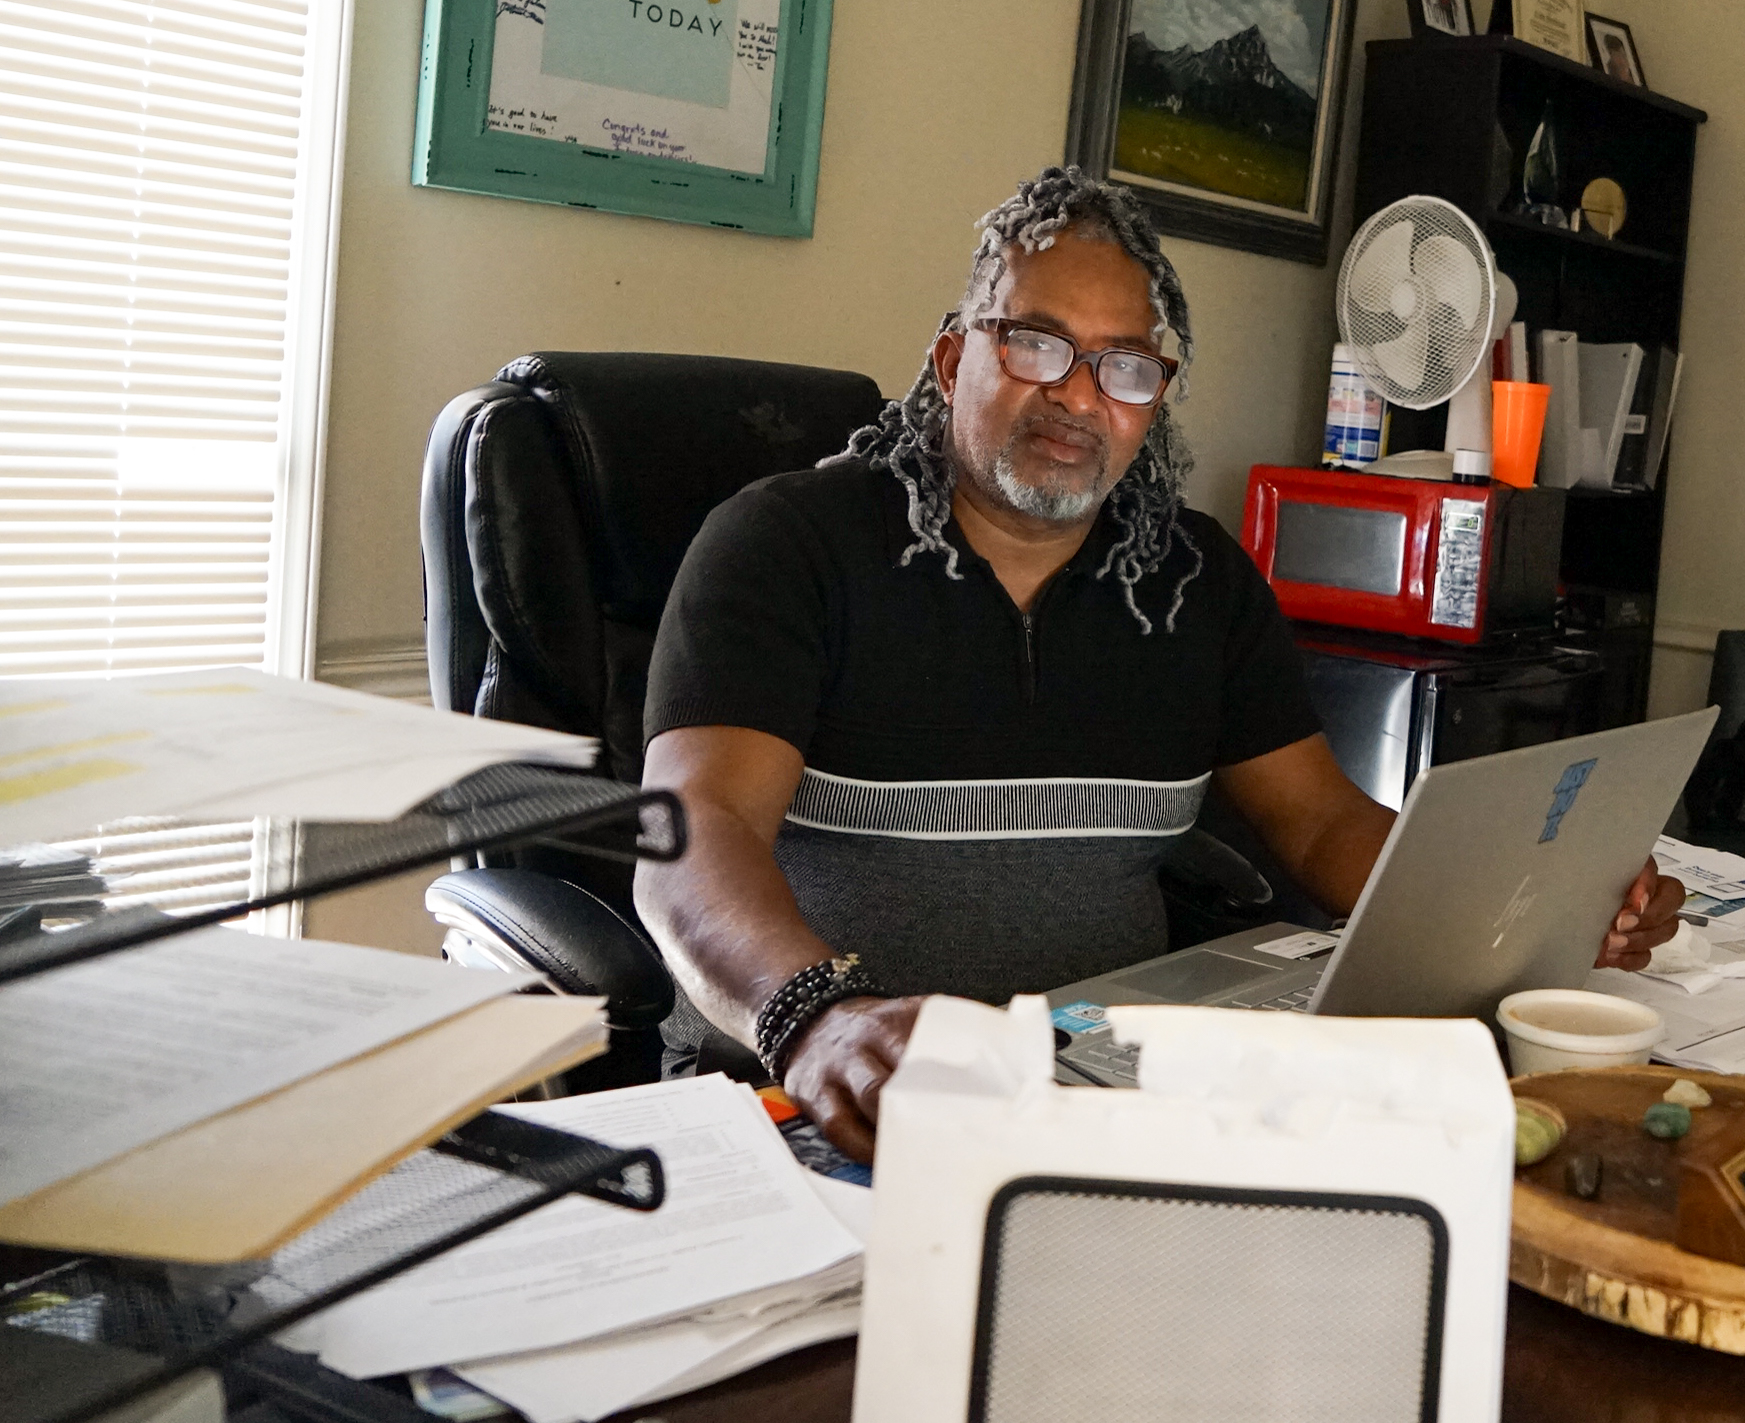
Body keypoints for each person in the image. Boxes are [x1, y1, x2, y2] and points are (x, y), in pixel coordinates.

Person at [634, 167, 1685, 1162]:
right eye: (1037, 344)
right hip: (824, 1098)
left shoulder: (1194, 579)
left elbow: (1319, 822)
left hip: (1101, 1092)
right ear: (956, 360)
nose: (1080, 397)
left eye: (1125, 365)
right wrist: (813, 1019)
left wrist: (1530, 903)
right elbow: (694, 833)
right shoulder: (787, 546)